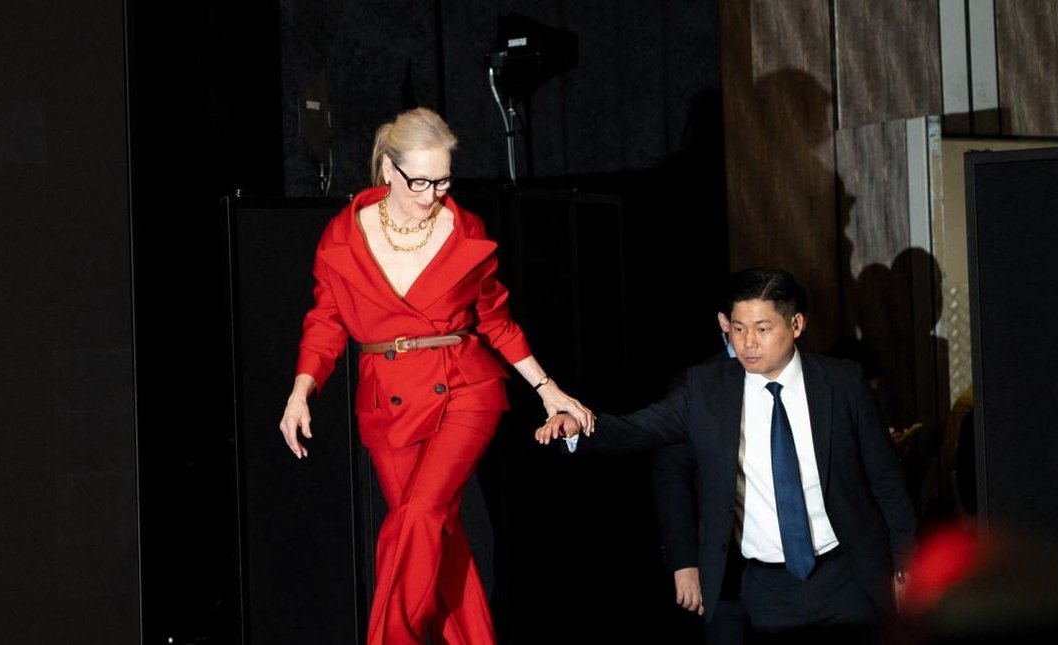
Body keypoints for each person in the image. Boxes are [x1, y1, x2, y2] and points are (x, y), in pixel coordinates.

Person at [278, 107, 593, 645]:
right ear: (388, 169)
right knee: (438, 541)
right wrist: (301, 390)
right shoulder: (342, 237)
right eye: (420, 181)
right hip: (388, 400)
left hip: (463, 390)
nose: (432, 195)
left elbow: (496, 320)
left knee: (421, 516)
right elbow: (326, 322)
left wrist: (547, 388)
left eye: (443, 181)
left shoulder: (464, 229)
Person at [538, 268, 916, 643]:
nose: (748, 342)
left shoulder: (843, 383)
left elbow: (887, 482)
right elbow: (638, 428)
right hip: (767, 588)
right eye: (738, 328)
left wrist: (906, 567)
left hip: (847, 574)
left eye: (762, 329)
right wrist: (577, 428)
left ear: (796, 324)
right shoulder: (705, 389)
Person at [652, 308, 750, 644]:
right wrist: (684, 562)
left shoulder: (805, 377)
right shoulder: (696, 383)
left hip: (795, 573)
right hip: (725, 569)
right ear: (725, 323)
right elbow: (672, 476)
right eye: (743, 325)